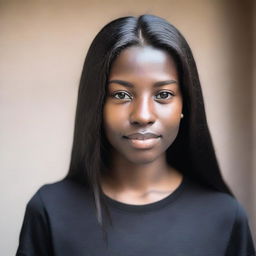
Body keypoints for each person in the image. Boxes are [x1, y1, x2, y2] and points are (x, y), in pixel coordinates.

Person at [16, 14, 255, 256]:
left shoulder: (224, 216)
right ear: (96, 104)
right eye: (121, 95)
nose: (142, 115)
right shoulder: (50, 210)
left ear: (186, 105)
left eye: (163, 94)